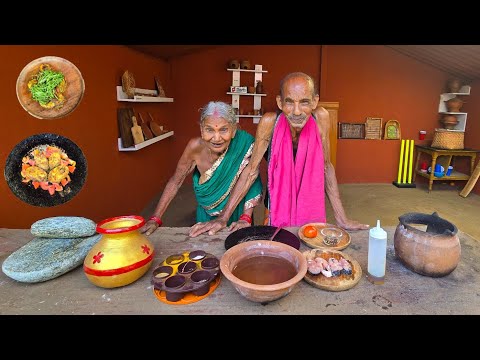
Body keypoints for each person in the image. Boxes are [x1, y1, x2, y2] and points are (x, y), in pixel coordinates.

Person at [190, 72, 369, 237]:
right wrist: (224, 217)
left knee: (309, 244)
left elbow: (326, 167)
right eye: (289, 102)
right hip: (277, 199)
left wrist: (342, 219)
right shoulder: (270, 122)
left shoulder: (320, 117)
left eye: (304, 102)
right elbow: (251, 170)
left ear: (315, 102)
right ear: (279, 102)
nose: (297, 111)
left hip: (309, 199)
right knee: (276, 243)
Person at [141, 101, 263, 236]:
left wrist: (245, 218)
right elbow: (176, 181)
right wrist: (155, 218)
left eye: (223, 129)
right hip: (206, 213)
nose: (217, 138)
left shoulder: (244, 143)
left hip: (239, 212)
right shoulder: (194, 148)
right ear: (201, 130)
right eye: (209, 129)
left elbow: (251, 178)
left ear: (233, 130)